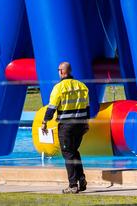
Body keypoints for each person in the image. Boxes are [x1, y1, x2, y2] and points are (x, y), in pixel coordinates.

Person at [41, 62, 90, 194]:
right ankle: (82, 180)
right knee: (74, 151)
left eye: (58, 70)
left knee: (68, 154)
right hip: (80, 125)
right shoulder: (82, 86)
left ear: (62, 72)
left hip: (67, 126)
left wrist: (44, 122)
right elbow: (87, 108)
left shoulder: (59, 88)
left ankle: (73, 185)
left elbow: (52, 108)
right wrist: (86, 124)